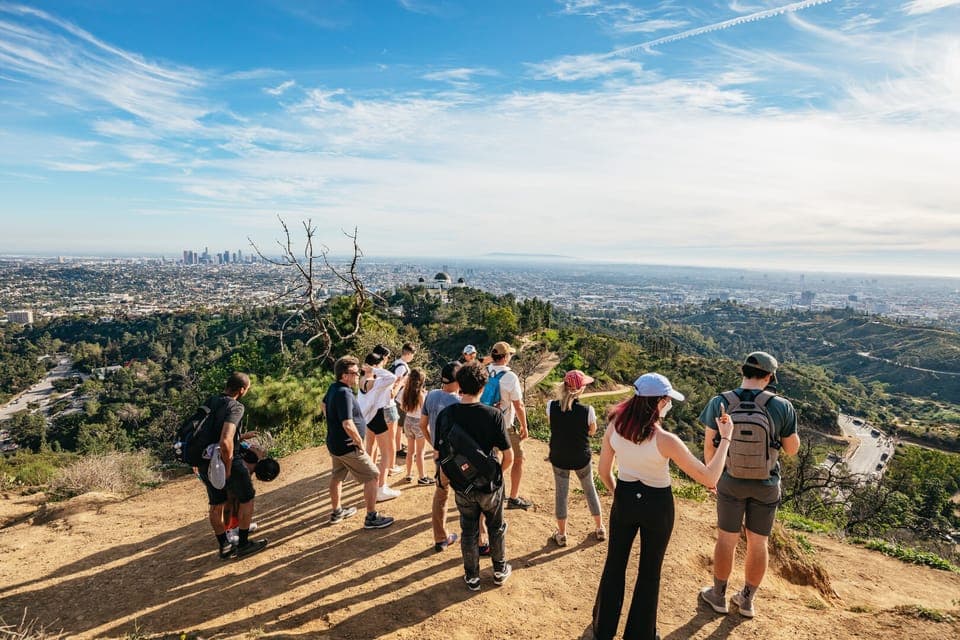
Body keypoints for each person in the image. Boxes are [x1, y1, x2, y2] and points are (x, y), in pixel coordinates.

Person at [592, 373, 734, 640]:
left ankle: (603, 628)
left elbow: (603, 470)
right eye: (667, 400)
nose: (668, 404)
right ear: (657, 402)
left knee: (615, 564)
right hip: (657, 505)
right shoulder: (665, 440)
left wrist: (619, 494)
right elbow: (709, 478)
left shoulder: (615, 426)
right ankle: (640, 634)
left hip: (625, 496)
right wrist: (725, 438)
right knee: (650, 571)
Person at [698, 352, 801, 619]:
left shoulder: (720, 402)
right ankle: (746, 600)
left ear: (742, 371)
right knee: (758, 543)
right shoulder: (782, 406)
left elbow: (709, 446)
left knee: (726, 538)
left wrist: (712, 476)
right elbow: (791, 449)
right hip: (766, 484)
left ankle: (718, 596)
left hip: (730, 480)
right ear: (770, 377)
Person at [437, 363, 514, 591]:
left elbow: (441, 455)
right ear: (483, 386)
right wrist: (496, 477)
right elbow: (508, 456)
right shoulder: (494, 415)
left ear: (459, 385)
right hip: (490, 486)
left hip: (462, 485)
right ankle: (499, 570)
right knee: (496, 527)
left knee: (468, 530)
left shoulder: (446, 415)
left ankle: (472, 577)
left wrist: (445, 480)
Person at [196, 372, 268, 560]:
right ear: (242, 390)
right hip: (226, 460)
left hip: (205, 460)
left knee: (216, 504)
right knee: (247, 498)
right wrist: (228, 468)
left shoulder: (212, 401)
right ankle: (243, 544)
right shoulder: (235, 407)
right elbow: (226, 440)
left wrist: (241, 437)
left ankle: (224, 546)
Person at [324, 356, 394, 530]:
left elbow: (323, 404)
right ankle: (371, 517)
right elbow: (347, 423)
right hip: (348, 446)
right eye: (355, 373)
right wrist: (359, 443)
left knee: (337, 476)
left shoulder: (333, 388)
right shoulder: (344, 393)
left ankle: (337, 512)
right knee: (373, 476)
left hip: (335, 443)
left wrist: (333, 424)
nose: (358, 376)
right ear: (344, 375)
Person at [547, 370, 604, 546]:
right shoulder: (588, 410)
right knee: (590, 490)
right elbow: (592, 431)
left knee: (561, 494)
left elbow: (553, 425)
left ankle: (562, 534)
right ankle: (600, 527)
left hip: (559, 456)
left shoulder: (551, 406)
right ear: (580, 389)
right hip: (581, 457)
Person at [421, 361, 462, 552]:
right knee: (466, 496)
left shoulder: (431, 395)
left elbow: (422, 425)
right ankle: (476, 538)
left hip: (440, 456)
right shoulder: (458, 403)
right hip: (457, 457)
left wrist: (434, 445)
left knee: (441, 494)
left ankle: (441, 538)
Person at [487, 341, 530, 510]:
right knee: (517, 458)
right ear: (505, 357)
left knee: (492, 458)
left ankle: (488, 488)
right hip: (504, 425)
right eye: (510, 354)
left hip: (486, 423)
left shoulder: (485, 371)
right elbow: (518, 405)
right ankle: (513, 497)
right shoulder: (510, 377)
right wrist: (524, 426)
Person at [357, 353, 400, 502]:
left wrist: (372, 370)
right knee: (386, 453)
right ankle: (381, 488)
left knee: (370, 449)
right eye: (381, 365)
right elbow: (392, 377)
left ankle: (370, 484)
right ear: (375, 365)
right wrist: (375, 370)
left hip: (368, 418)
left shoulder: (362, 380)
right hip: (376, 417)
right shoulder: (374, 382)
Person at [399, 368, 433, 485]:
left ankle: (408, 474)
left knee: (410, 451)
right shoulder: (421, 394)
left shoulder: (406, 391)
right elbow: (425, 411)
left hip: (408, 421)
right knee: (420, 452)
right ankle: (422, 477)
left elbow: (402, 408)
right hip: (418, 423)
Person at [390, 343, 417, 463]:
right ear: (409, 353)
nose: (413, 357)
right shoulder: (402, 367)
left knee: (398, 425)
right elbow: (396, 383)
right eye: (412, 355)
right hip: (398, 399)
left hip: (396, 399)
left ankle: (398, 444)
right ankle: (398, 449)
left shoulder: (396, 363)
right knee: (399, 426)